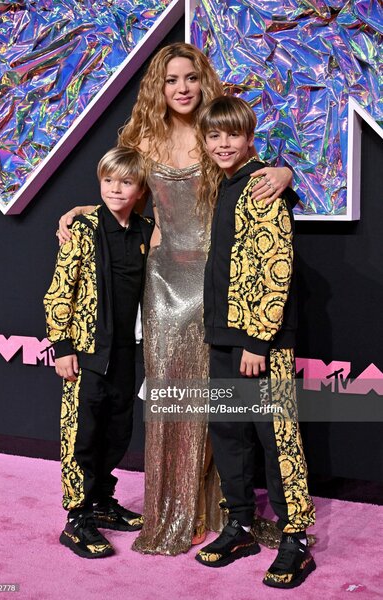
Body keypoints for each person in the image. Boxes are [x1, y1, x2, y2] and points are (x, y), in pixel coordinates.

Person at [57, 43, 295, 555]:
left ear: (202, 80)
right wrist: (82, 210)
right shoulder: (140, 136)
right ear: (158, 87)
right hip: (164, 282)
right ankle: (173, 509)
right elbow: (122, 192)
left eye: (190, 77)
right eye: (171, 80)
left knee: (219, 403)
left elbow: (249, 174)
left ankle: (226, 512)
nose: (182, 88)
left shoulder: (215, 131)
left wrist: (286, 173)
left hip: (217, 281)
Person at [194, 95, 315, 588]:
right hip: (225, 334)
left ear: (249, 138)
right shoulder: (226, 186)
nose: (223, 144)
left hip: (261, 342)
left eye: (233, 135)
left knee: (276, 437)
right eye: (214, 135)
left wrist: (258, 341)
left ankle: (296, 539)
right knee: (229, 432)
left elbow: (276, 267)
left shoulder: (263, 185)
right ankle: (240, 525)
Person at [44, 147, 154, 558]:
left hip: (126, 352)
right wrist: (63, 347)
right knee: (83, 435)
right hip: (88, 353)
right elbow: (60, 291)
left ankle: (103, 502)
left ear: (140, 190)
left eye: (125, 182)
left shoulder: (146, 231)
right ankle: (77, 518)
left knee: (116, 431)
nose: (115, 189)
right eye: (108, 181)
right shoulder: (83, 229)